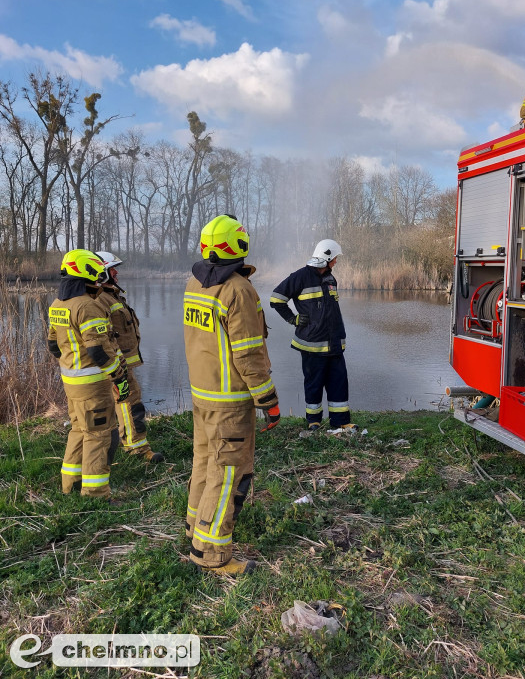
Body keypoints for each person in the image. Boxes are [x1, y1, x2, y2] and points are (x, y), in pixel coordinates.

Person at [183, 215, 280, 577]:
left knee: (205, 463)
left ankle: (195, 530)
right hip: (230, 403)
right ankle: (211, 554)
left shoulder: (195, 283)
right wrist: (268, 401)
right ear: (238, 246)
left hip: (202, 396)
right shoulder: (238, 290)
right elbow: (249, 355)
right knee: (227, 476)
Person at [48, 249, 129, 501]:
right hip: (93, 384)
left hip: (71, 382)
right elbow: (98, 350)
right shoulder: (87, 306)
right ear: (88, 272)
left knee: (78, 430)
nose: (102, 275)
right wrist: (118, 377)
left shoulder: (57, 304)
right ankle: (96, 494)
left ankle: (70, 484)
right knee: (98, 435)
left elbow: (52, 345)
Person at [270, 239, 355, 433]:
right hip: (312, 345)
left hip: (334, 344)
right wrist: (293, 319)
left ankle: (340, 421)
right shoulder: (300, 276)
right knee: (314, 384)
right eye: (333, 259)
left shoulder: (331, 279)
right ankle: (313, 422)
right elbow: (276, 299)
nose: (335, 262)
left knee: (339, 383)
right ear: (325, 257)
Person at [95, 251, 164, 464]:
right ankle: (137, 449)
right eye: (111, 269)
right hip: (117, 365)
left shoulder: (110, 295)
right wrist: (116, 364)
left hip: (120, 363)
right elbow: (104, 336)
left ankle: (110, 445)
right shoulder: (100, 299)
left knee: (118, 403)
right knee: (130, 401)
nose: (116, 273)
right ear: (100, 273)